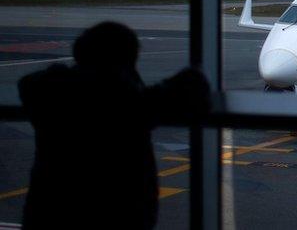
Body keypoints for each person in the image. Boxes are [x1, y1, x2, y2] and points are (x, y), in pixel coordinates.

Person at [18, 22, 209, 229]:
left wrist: (70, 72)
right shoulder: (129, 105)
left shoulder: (50, 97)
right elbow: (193, 81)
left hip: (47, 215)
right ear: (123, 64)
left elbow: (28, 83)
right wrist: (128, 82)